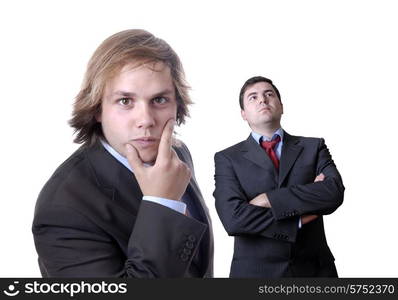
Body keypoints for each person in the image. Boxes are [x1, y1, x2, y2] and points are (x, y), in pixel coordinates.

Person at [32, 29, 213, 277]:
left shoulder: (176, 156)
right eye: (125, 101)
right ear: (97, 108)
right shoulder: (63, 208)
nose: (146, 120)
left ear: (177, 104)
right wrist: (163, 205)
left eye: (159, 100)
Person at [213, 76, 344, 278]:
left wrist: (268, 199)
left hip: (315, 271)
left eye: (269, 94)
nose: (262, 100)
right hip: (254, 274)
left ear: (281, 106)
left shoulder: (313, 147)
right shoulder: (227, 159)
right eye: (253, 97)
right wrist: (298, 219)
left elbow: (333, 193)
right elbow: (233, 219)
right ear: (243, 114)